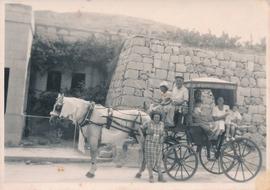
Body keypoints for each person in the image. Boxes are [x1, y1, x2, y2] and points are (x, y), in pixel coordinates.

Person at [136, 111, 166, 183]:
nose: (156, 118)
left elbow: (163, 133)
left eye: (158, 117)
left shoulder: (162, 124)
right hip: (149, 143)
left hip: (158, 144)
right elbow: (139, 128)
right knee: (150, 160)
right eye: (155, 117)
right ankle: (151, 176)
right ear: (153, 117)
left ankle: (160, 176)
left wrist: (163, 137)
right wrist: (142, 136)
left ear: (160, 118)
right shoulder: (148, 123)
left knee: (158, 160)